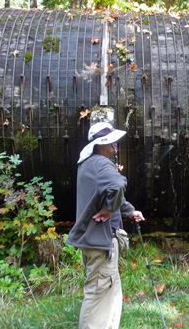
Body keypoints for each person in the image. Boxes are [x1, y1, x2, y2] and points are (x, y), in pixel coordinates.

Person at [66, 121, 145, 329]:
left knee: (108, 291)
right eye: (112, 141)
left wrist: (128, 211)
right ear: (101, 143)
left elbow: (104, 194)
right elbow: (117, 185)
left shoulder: (89, 163)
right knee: (96, 295)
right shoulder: (101, 164)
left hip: (95, 242)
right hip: (100, 243)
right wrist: (111, 209)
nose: (116, 144)